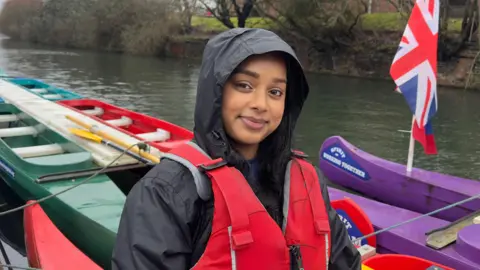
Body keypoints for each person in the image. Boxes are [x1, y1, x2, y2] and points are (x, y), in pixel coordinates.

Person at [112, 28, 361, 270]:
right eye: (244, 85)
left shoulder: (310, 181)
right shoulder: (165, 192)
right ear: (217, 91)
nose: (260, 104)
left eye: (275, 92)